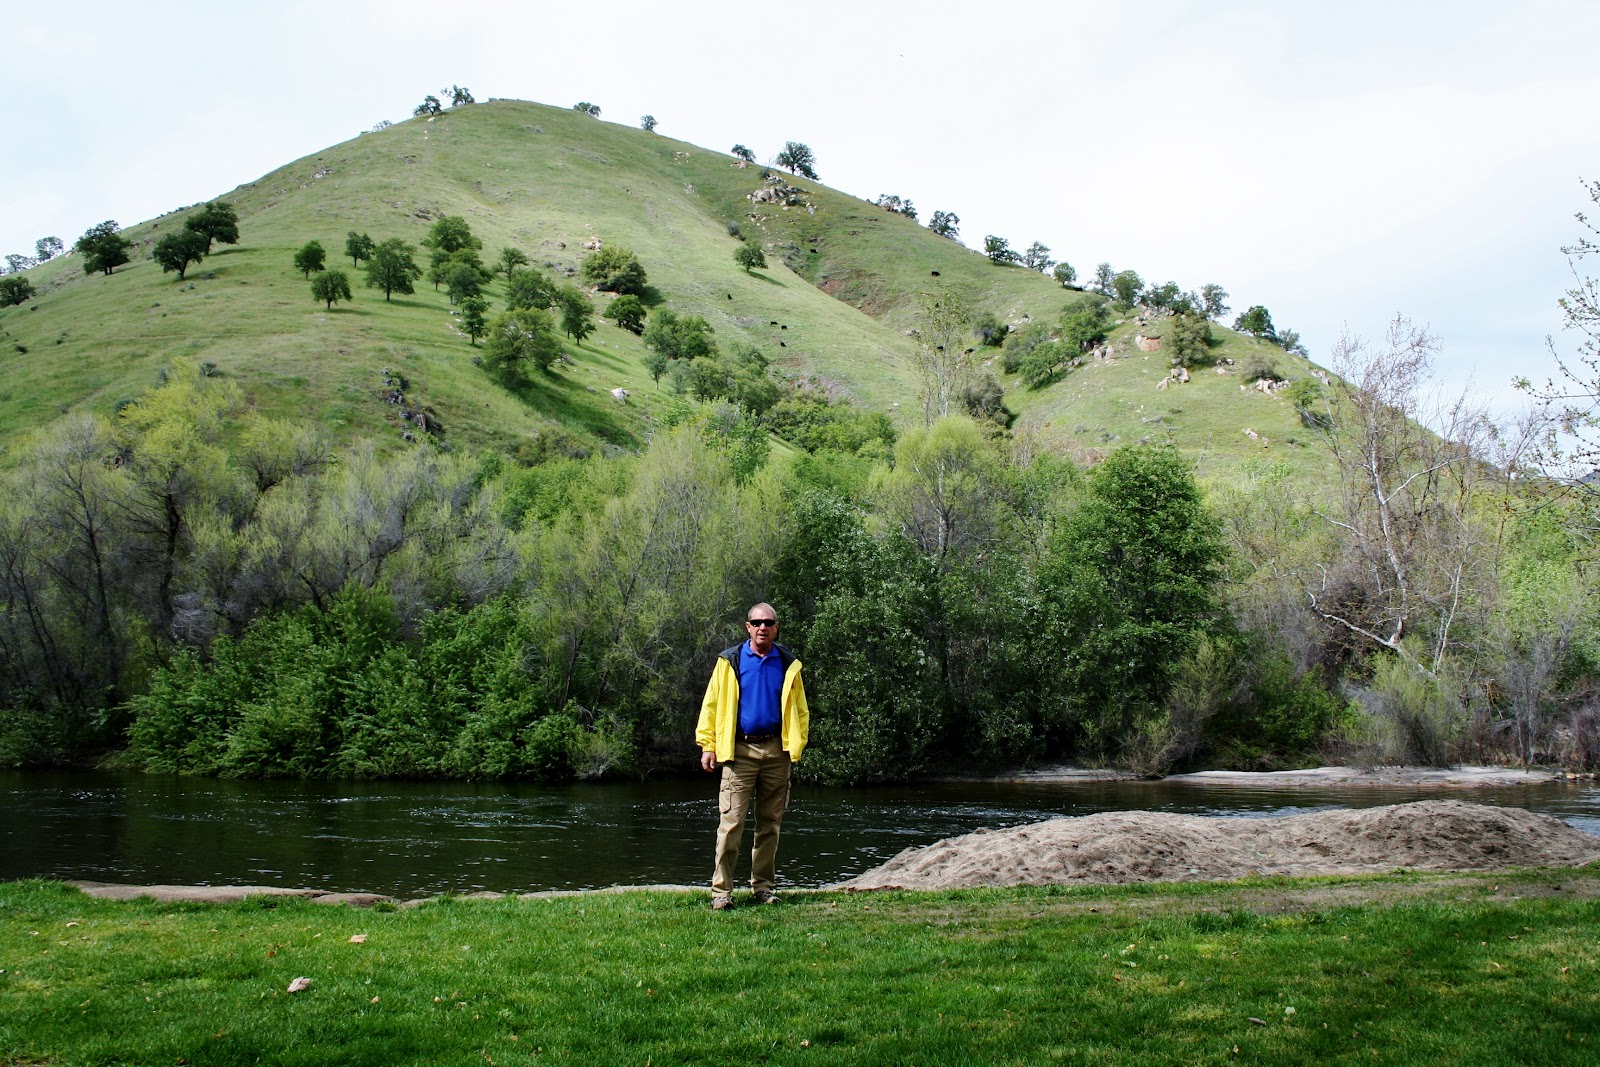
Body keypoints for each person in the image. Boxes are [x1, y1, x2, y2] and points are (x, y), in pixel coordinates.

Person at [694, 602, 809, 910]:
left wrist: (797, 744)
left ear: (776, 627)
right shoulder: (730, 660)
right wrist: (708, 745)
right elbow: (712, 705)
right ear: (747, 627)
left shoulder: (787, 662)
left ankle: (763, 887)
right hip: (739, 752)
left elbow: (800, 710)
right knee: (730, 824)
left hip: (776, 751)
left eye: (768, 623)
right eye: (756, 622)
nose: (762, 627)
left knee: (770, 824)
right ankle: (722, 893)